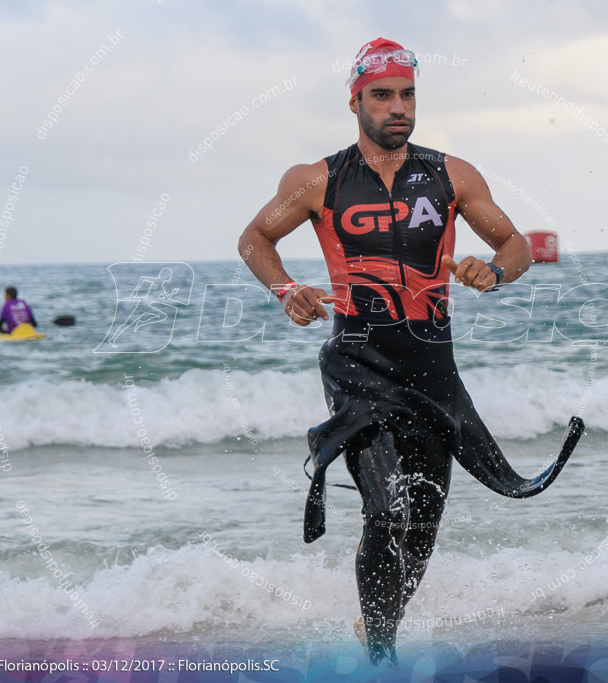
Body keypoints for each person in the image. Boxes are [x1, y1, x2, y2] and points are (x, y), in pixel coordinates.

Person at [238, 38, 577, 665]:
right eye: (383, 95)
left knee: (421, 521)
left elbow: (516, 245)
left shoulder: (453, 174)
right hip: (359, 361)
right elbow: (255, 237)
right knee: (388, 505)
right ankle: (382, 656)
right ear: (355, 102)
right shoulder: (318, 179)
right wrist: (287, 290)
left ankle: (377, 630)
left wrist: (494, 271)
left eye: (408, 94)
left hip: (432, 365)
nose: (399, 107)